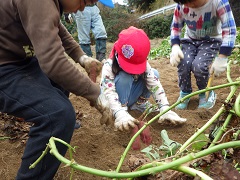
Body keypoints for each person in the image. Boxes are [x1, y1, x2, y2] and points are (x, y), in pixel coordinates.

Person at [0, 0, 114, 179]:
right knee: (59, 115)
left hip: (20, 60)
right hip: (4, 67)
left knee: (61, 83)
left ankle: (57, 129)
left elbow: (58, 29)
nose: (84, 7)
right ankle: (54, 127)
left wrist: (82, 58)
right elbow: (53, 63)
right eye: (85, 1)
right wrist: (96, 94)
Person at [100, 26, 187, 131]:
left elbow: (154, 84)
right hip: (114, 101)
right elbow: (108, 92)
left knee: (154, 73)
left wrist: (164, 108)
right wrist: (120, 113)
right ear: (118, 53)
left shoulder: (145, 65)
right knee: (125, 77)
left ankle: (138, 105)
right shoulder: (109, 65)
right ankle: (123, 112)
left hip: (130, 96)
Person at [170, 0, 236, 110]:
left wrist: (222, 57)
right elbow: (175, 27)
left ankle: (206, 92)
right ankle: (185, 92)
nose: (189, 6)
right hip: (190, 40)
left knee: (199, 66)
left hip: (211, 41)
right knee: (183, 63)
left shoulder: (218, 2)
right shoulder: (182, 5)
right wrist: (175, 46)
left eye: (191, 1)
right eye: (185, 3)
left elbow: (229, 29)